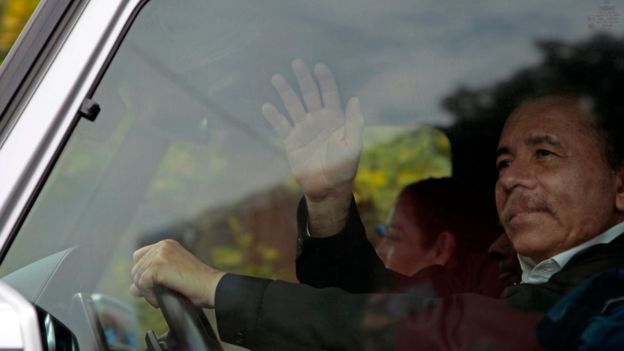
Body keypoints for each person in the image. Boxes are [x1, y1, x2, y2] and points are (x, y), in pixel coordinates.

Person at [131, 60, 624, 350]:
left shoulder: (609, 298)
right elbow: (378, 305)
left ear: (621, 186)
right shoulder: (504, 275)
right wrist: (328, 202)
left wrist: (219, 287)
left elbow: (440, 334)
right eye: (502, 163)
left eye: (544, 154)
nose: (512, 178)